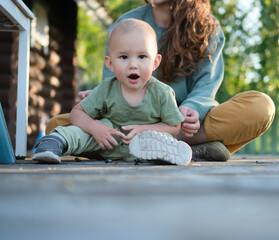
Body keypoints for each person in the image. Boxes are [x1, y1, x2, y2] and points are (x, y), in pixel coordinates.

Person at [45, 0, 276, 162]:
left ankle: (176, 145)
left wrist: (191, 108)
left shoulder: (207, 27)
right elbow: (112, 82)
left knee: (260, 106)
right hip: (126, 124)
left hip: (185, 125)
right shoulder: (125, 24)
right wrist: (95, 95)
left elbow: (207, 85)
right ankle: (192, 151)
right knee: (57, 127)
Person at [32, 18, 192, 166]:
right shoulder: (106, 88)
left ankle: (164, 154)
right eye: (123, 57)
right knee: (83, 131)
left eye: (142, 56)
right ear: (110, 64)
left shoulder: (162, 92)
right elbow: (76, 113)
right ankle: (54, 142)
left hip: (145, 141)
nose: (133, 65)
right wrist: (95, 128)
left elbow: (174, 126)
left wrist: (145, 130)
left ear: (155, 62)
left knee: (165, 139)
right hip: (107, 140)